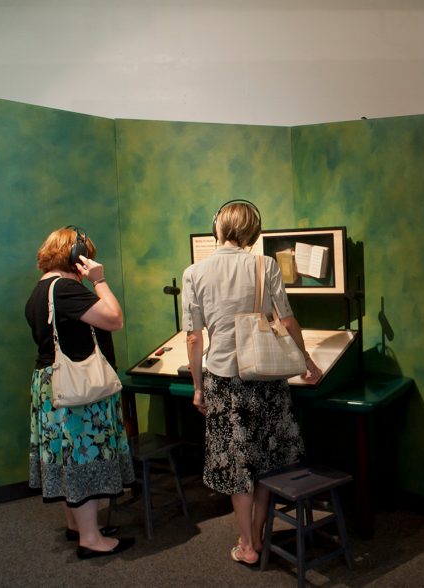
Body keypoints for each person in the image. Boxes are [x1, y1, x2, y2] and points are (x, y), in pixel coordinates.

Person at [182, 200, 322, 565]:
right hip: (264, 377)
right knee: (266, 461)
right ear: (253, 232)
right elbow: (287, 321)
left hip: (223, 379)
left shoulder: (194, 273)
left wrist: (197, 386)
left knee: (237, 466)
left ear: (217, 227)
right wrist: (307, 361)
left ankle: (247, 544)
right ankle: (259, 533)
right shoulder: (266, 265)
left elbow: (194, 338)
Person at [24, 226, 136, 559]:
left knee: (67, 458)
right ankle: (91, 539)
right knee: (83, 457)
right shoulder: (66, 289)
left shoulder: (41, 290)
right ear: (76, 256)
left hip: (51, 386)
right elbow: (114, 319)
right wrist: (99, 281)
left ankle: (77, 526)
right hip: (77, 389)